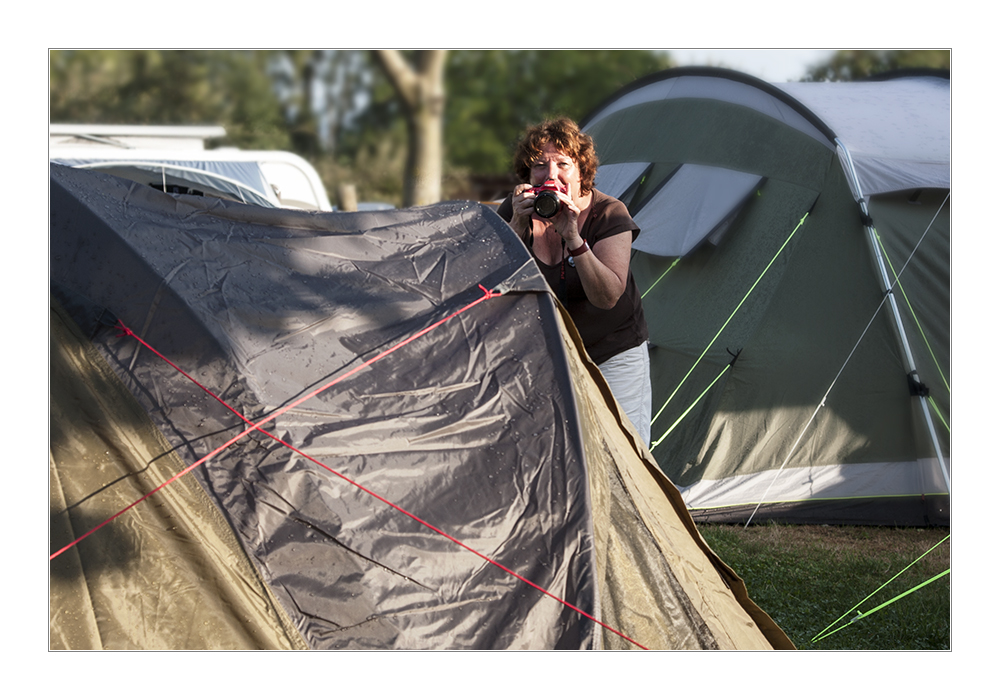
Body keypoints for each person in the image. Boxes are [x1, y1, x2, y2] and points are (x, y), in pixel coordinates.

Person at [497, 117, 651, 446]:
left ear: (582, 171)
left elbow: (607, 295)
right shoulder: (514, 211)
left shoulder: (609, 214)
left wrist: (573, 236)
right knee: (556, 448)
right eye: (539, 165)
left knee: (624, 448)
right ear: (527, 174)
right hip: (548, 353)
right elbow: (493, 283)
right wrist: (517, 224)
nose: (551, 175)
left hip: (613, 350)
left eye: (563, 164)